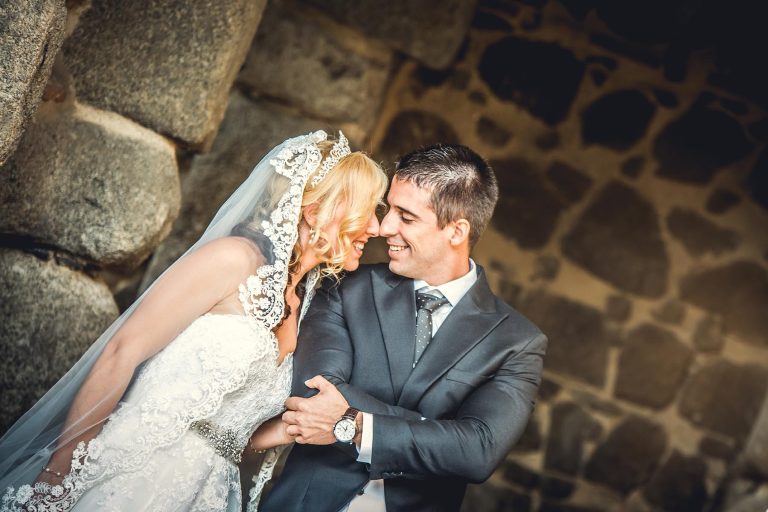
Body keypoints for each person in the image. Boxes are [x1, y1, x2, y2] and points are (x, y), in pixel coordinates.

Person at [0, 131, 388, 512]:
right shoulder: (232, 260)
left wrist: (290, 429)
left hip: (207, 491)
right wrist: (59, 473)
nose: (375, 228)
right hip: (133, 472)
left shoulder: (305, 304)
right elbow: (121, 352)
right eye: (368, 209)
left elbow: (230, 431)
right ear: (315, 210)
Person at [258, 144, 548, 512]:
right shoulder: (344, 285)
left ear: (456, 231)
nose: (384, 228)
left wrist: (352, 423)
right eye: (388, 209)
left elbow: (478, 452)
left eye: (406, 217)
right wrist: (441, 430)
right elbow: (314, 391)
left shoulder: (517, 342)